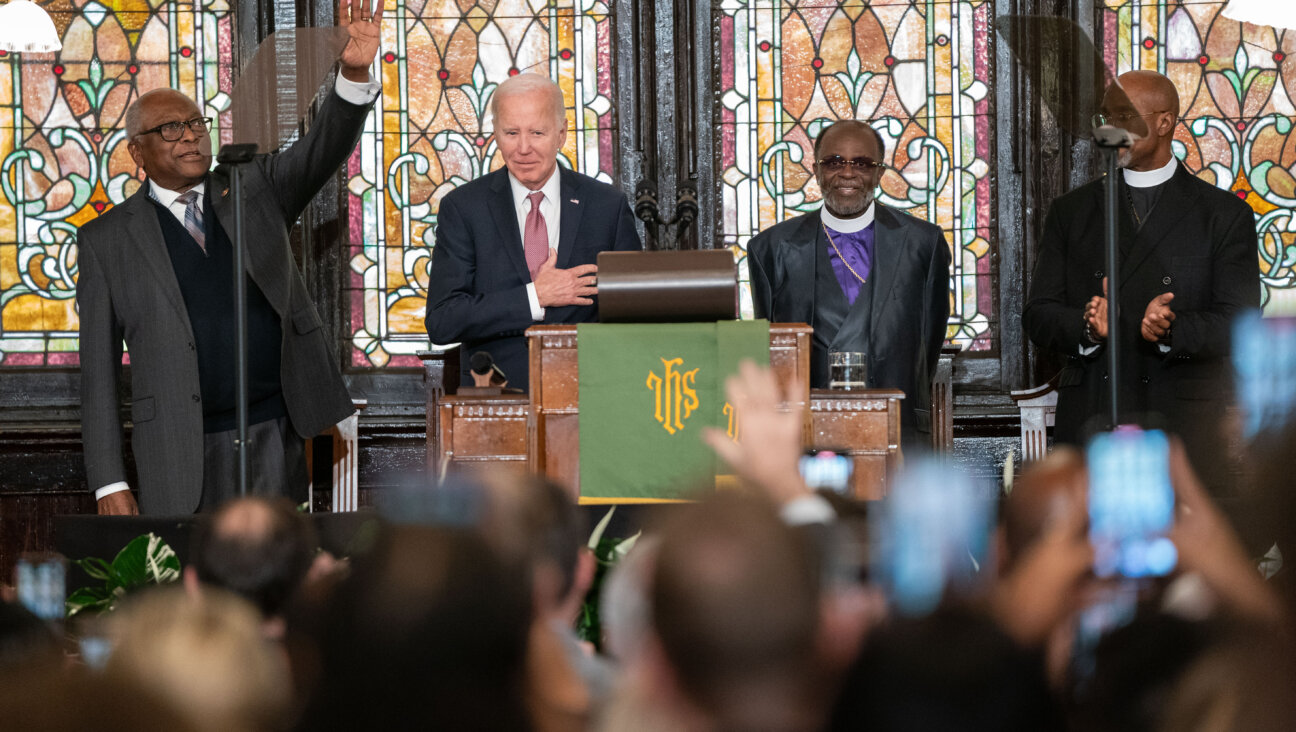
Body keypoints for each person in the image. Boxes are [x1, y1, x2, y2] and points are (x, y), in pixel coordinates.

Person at [76, 0, 386, 515]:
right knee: (192, 590)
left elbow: (321, 149)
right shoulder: (106, 241)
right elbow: (98, 372)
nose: (190, 136)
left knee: (275, 581)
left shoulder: (253, 186)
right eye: (170, 129)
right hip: (177, 449)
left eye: (195, 123)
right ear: (137, 152)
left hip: (272, 431)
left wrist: (353, 75)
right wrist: (109, 482)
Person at [1022, 70, 1259, 490]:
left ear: (1165, 122)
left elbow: (1240, 324)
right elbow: (1037, 315)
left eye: (1124, 117)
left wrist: (1172, 328)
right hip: (1095, 412)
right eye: (1105, 118)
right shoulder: (1072, 212)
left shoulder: (1221, 215)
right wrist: (1087, 326)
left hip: (1181, 420)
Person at [424, 73, 641, 390]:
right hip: (495, 404)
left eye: (537, 132)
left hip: (592, 397)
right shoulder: (463, 208)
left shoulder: (607, 207)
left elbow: (634, 316)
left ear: (561, 133)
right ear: (496, 134)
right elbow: (443, 322)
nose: (523, 148)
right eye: (511, 132)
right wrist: (534, 297)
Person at [747, 120, 951, 449]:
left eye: (862, 163)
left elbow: (928, 342)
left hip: (897, 430)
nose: (847, 173)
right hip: (807, 436)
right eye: (834, 162)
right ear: (815, 170)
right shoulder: (770, 249)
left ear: (880, 172)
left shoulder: (923, 244)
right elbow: (774, 353)